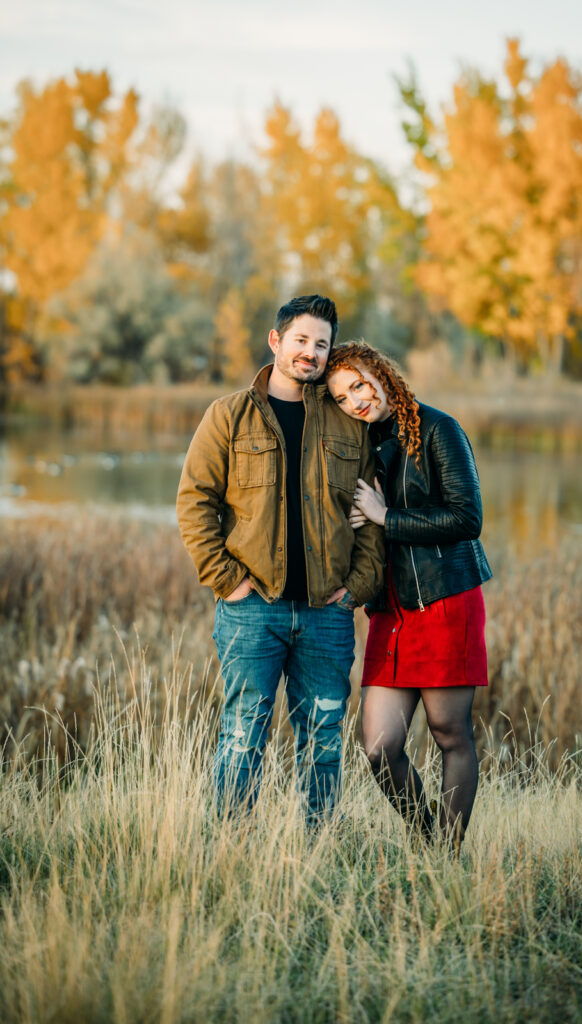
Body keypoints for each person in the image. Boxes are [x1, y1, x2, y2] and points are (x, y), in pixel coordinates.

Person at [177, 297, 384, 824]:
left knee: (323, 739)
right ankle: (229, 850)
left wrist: (357, 587)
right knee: (243, 732)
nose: (310, 353)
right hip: (252, 610)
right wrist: (227, 581)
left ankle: (315, 858)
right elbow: (194, 501)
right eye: (301, 340)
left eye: (321, 344)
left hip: (326, 614)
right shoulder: (228, 415)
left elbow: (371, 513)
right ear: (276, 341)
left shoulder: (348, 423)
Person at [326, 341, 492, 852]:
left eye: (359, 384)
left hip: (443, 599)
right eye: (341, 396)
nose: (355, 400)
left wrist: (385, 518)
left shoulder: (439, 429)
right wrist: (358, 525)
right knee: (379, 746)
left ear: (380, 373)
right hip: (391, 610)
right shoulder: (361, 443)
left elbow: (467, 519)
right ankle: (426, 843)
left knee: (449, 731)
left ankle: (445, 857)